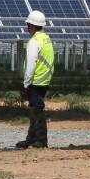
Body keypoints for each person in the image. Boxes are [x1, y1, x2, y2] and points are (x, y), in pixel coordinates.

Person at [16, 10, 54, 149]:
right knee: (34, 108)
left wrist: (26, 83)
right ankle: (31, 139)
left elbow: (31, 64)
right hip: (44, 80)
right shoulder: (46, 39)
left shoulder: (34, 41)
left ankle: (41, 140)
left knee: (37, 109)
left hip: (36, 80)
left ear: (31, 25)